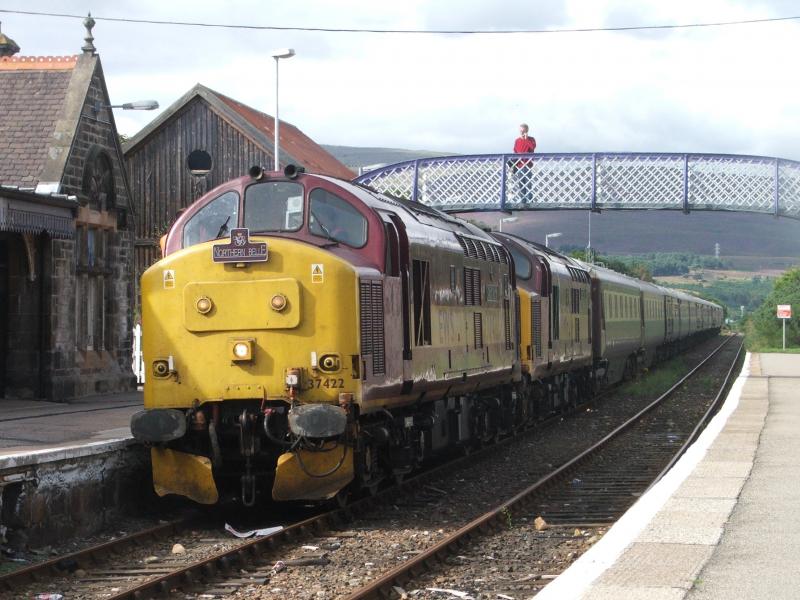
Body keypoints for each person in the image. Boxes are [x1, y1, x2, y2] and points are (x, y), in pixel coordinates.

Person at [513, 123, 536, 204]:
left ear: (527, 131)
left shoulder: (531, 139)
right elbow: (515, 151)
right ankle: (523, 201)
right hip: (519, 165)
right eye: (521, 131)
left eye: (523, 131)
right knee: (521, 184)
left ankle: (530, 201)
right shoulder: (517, 140)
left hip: (527, 165)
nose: (522, 133)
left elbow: (532, 148)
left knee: (528, 183)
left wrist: (526, 139)